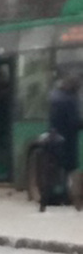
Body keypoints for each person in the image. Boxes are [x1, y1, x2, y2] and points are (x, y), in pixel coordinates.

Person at [44, 75, 81, 209]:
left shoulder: (55, 96)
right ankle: (67, 197)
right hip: (68, 140)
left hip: (55, 138)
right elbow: (74, 122)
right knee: (68, 170)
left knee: (56, 169)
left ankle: (51, 197)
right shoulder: (70, 100)